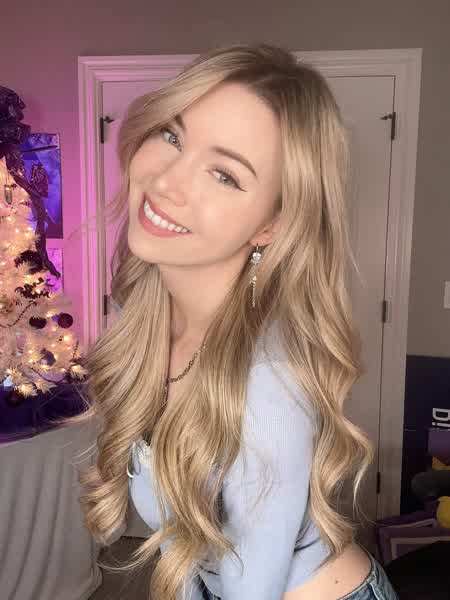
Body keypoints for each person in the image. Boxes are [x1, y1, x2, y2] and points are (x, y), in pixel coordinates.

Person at [66, 43, 399, 599]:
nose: (168, 182)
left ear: (272, 224)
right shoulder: (150, 317)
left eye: (224, 174)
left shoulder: (267, 377)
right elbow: (187, 543)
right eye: (172, 135)